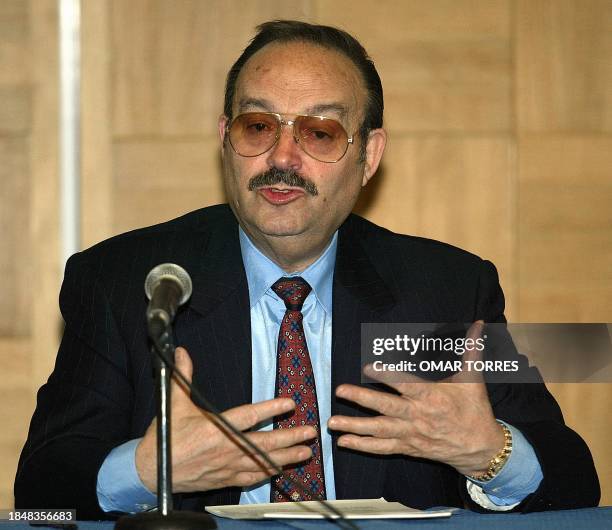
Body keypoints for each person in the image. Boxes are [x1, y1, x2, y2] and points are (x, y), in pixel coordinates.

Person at [15, 20, 599, 519]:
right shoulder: (131, 281)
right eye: (258, 126)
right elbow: (40, 490)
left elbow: (574, 482)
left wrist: (489, 454)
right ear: (225, 139)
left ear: (368, 156)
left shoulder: (439, 292)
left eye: (320, 132)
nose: (283, 159)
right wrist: (146, 471)